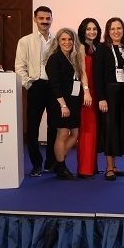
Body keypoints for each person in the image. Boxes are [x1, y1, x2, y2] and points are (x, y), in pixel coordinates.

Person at [15, 6, 57, 177]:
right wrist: (29, 85)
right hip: (36, 87)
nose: (45, 21)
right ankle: (36, 164)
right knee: (33, 127)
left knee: (54, 126)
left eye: (48, 18)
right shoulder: (25, 41)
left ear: (52, 20)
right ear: (35, 20)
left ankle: (51, 162)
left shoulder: (57, 40)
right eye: (41, 18)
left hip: (54, 87)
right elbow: (19, 67)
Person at [44, 28, 88, 180]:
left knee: (75, 134)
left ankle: (58, 162)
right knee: (62, 133)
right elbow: (54, 84)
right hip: (60, 102)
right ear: (58, 41)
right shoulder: (54, 58)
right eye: (63, 39)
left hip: (73, 101)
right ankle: (61, 167)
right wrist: (63, 105)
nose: (67, 42)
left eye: (70, 39)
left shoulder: (73, 58)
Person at [93, 17, 124, 181]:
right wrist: (101, 98)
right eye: (113, 29)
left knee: (118, 129)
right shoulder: (102, 49)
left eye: (119, 28)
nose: (116, 31)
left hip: (123, 94)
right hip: (108, 94)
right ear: (108, 31)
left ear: (123, 30)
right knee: (109, 129)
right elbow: (97, 76)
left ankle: (114, 165)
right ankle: (108, 167)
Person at [76, 18, 101, 178]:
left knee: (94, 130)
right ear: (83, 31)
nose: (92, 32)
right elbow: (82, 71)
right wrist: (86, 92)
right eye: (88, 29)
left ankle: (92, 166)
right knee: (87, 130)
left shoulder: (95, 47)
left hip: (96, 91)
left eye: (94, 29)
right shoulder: (80, 47)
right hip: (87, 92)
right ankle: (85, 168)